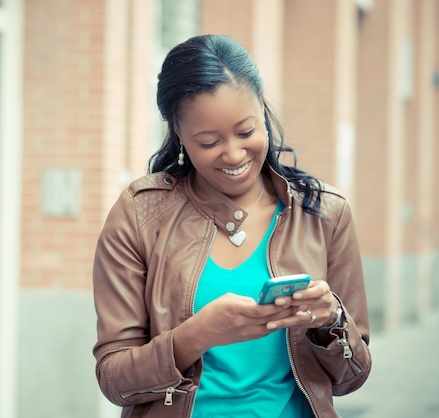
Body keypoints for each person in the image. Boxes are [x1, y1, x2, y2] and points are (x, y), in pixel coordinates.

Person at [92, 34, 371, 418]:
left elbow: (351, 378)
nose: (235, 154)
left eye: (246, 131)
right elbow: (114, 379)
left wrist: (331, 322)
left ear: (262, 109)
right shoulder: (140, 215)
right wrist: (195, 336)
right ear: (178, 132)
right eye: (209, 141)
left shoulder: (323, 213)